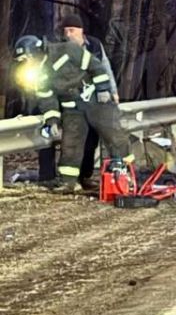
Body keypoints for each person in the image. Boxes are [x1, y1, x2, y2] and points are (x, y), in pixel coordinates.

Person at [45, 14, 134, 193]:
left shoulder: (93, 45)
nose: (69, 34)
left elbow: (102, 67)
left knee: (112, 137)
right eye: (66, 31)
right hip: (75, 106)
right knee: (72, 144)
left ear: (81, 31)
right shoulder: (60, 50)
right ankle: (70, 181)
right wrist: (53, 116)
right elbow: (48, 91)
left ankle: (124, 175)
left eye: (72, 30)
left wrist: (109, 91)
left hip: (97, 102)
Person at [13, 35, 62, 181]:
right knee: (44, 139)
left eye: (26, 59)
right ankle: (47, 175)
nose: (25, 64)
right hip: (44, 110)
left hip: (65, 108)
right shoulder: (32, 72)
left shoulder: (53, 63)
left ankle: (70, 177)